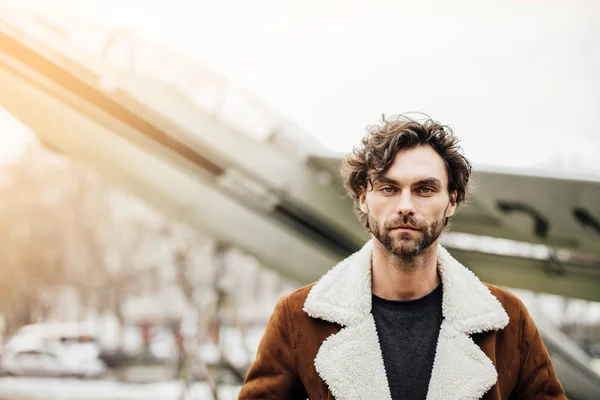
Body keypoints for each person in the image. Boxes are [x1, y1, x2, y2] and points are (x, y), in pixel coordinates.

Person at [238, 115, 566, 400]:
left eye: (424, 189)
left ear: (452, 201)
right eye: (388, 188)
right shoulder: (297, 318)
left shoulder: (508, 320)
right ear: (363, 198)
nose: (406, 205)